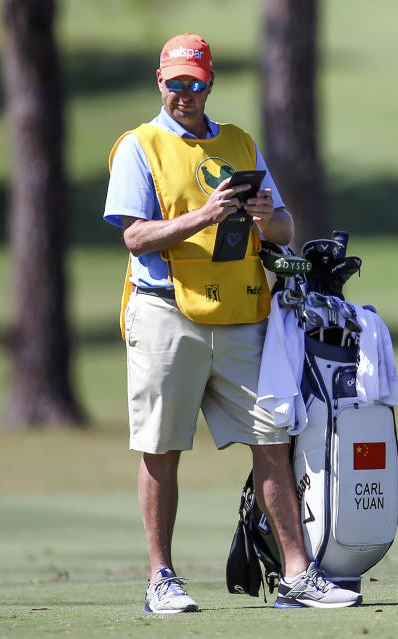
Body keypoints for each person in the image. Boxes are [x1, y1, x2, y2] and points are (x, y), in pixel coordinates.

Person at [104, 33, 361, 612]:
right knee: (161, 447)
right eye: (176, 83)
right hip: (167, 311)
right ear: (160, 81)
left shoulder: (240, 143)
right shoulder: (139, 146)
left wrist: (268, 216)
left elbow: (284, 231)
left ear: (210, 82)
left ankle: (297, 574)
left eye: (195, 83)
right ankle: (161, 580)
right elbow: (133, 235)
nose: (185, 93)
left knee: (273, 440)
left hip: (244, 312)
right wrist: (203, 215)